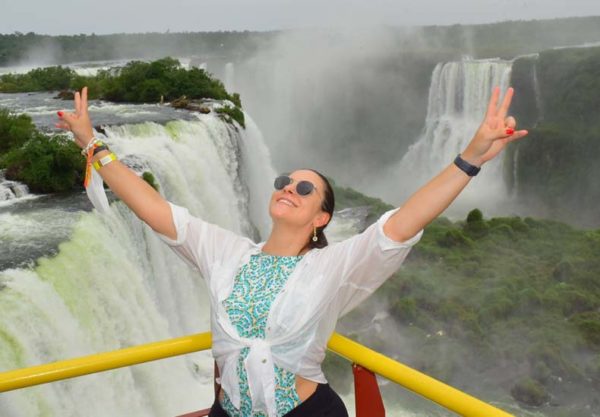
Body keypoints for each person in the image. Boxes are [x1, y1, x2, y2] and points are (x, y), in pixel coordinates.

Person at [56, 86, 527, 417]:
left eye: (305, 189)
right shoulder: (226, 252)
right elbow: (154, 209)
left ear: (321, 218)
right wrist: (93, 144)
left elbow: (404, 221)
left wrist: (469, 158)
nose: (289, 188)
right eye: (285, 181)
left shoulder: (332, 266)